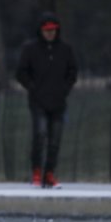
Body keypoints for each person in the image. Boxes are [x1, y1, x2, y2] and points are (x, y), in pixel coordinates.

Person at [16, 12, 78, 188]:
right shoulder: (30, 49)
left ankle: (49, 173)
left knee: (55, 140)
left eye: (53, 30)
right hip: (38, 101)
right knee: (40, 134)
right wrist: (32, 87)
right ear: (41, 31)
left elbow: (73, 72)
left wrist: (64, 89)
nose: (50, 33)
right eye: (46, 30)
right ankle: (36, 171)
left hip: (58, 101)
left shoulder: (65, 50)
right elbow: (21, 72)